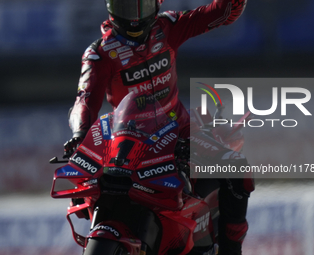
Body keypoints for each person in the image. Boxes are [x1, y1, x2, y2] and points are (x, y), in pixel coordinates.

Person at [63, 0, 254, 254]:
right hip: (130, 143)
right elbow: (84, 101)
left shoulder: (168, 27)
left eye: (140, 7)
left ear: (157, 3)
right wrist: (78, 135)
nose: (134, 17)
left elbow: (223, 13)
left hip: (181, 133)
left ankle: (231, 250)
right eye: (127, 7)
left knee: (237, 168)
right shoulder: (99, 53)